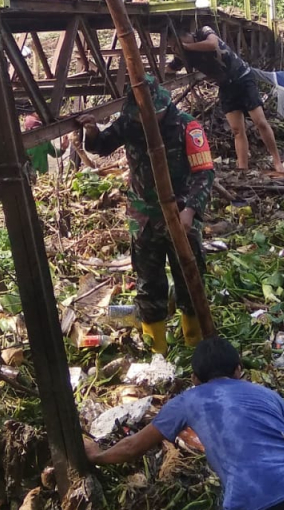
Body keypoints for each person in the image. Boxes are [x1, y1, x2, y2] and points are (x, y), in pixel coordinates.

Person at [85, 338, 284, 510]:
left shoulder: (188, 399)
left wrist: (97, 455)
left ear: (194, 379)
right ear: (238, 369)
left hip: (254, 497)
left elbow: (133, 447)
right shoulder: (269, 395)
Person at [79, 75, 214, 354]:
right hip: (142, 217)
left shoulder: (187, 126)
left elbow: (204, 173)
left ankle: (194, 343)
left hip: (180, 214)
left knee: (190, 277)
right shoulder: (130, 124)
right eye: (138, 114)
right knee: (148, 282)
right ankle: (158, 350)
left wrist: (191, 210)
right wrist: (92, 133)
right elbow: (102, 146)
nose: (142, 119)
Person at [179, 25, 284, 173]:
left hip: (242, 77)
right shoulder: (183, 54)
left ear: (186, 36)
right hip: (226, 85)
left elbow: (212, 44)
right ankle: (243, 168)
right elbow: (171, 69)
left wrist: (187, 46)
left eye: (176, 42)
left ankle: (277, 161)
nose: (174, 46)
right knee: (236, 129)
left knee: (260, 121)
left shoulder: (203, 31)